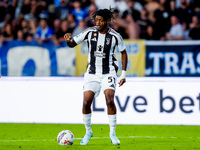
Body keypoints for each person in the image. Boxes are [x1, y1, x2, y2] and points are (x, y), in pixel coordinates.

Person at [64, 8, 128, 146]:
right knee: (86, 102)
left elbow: (123, 53)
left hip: (108, 72)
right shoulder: (89, 32)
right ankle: (88, 131)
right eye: (96, 20)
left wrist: (123, 74)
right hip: (92, 73)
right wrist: (68, 40)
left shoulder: (115, 36)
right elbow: (72, 44)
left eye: (100, 20)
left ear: (107, 21)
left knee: (109, 100)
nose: (97, 23)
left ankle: (112, 133)